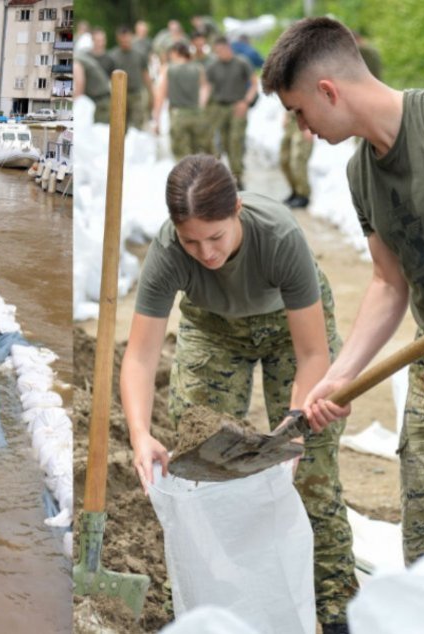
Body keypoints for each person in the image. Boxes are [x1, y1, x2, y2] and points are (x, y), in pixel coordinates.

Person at [262, 17, 424, 616]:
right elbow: (387, 282)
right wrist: (340, 377)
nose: (302, 130)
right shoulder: (360, 174)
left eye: (301, 113)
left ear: (329, 91)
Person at [122, 155, 358, 632]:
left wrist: (294, 423)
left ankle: (336, 615)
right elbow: (141, 357)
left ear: (237, 210)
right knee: (197, 469)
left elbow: (312, 354)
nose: (206, 253)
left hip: (287, 326)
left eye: (216, 237)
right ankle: (199, 610)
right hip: (214, 329)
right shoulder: (169, 252)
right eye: (192, 241)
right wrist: (140, 434)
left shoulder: (278, 235)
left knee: (312, 471)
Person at [203, 36, 258, 190]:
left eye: (221, 50)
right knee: (223, 143)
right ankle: (225, 175)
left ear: (228, 48)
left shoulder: (241, 62)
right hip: (220, 107)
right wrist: (203, 105)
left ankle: (237, 176)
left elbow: (254, 83)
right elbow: (207, 86)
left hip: (237, 106)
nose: (220, 54)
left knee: (235, 140)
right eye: (217, 51)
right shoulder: (213, 66)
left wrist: (246, 102)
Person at [152, 43, 208, 160]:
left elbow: (160, 95)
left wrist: (156, 120)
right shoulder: (198, 68)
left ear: (175, 53)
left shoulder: (167, 69)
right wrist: (201, 106)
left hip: (178, 115)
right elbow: (205, 88)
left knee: (182, 157)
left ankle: (186, 179)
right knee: (198, 154)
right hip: (197, 114)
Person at [109, 25, 153, 131]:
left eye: (127, 39)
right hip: (119, 95)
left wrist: (151, 93)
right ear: (118, 39)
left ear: (131, 37)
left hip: (136, 94)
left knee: (137, 126)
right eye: (122, 39)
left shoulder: (139, 54)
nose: (125, 42)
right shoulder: (112, 56)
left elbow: (145, 74)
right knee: (120, 126)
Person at [280, 110, 314, 208]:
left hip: (304, 122)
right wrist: (286, 115)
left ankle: (303, 195)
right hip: (292, 121)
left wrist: (309, 126)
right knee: (284, 160)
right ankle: (295, 191)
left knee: (297, 161)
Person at [73, 45, 111, 124]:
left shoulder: (76, 61)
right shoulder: (82, 58)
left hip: (100, 101)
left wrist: (74, 101)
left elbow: (79, 84)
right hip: (102, 98)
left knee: (100, 128)